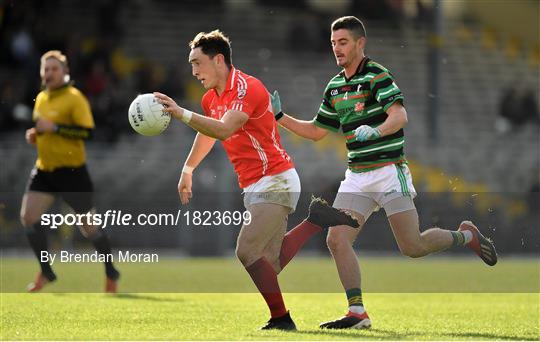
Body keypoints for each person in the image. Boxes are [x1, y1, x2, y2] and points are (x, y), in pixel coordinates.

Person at [270, 16, 498, 329]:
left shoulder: (377, 74)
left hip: (389, 172)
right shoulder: (335, 86)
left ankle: (466, 235)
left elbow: (400, 115)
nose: (337, 48)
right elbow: (318, 131)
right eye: (334, 42)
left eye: (344, 42)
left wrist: (375, 132)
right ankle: (357, 313)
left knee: (412, 247)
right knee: (336, 240)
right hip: (357, 177)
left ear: (360, 43)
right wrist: (280, 117)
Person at [154, 30, 357, 330]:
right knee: (269, 264)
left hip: (276, 179)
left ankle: (281, 319)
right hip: (254, 184)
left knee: (246, 250)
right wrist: (188, 168)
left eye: (197, 63)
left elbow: (223, 130)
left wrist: (181, 113)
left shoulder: (247, 88)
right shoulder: (211, 98)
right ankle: (316, 220)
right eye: (191, 65)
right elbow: (208, 134)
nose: (194, 71)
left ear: (218, 60)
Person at [21, 50, 120, 293]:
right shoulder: (42, 98)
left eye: (55, 69)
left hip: (72, 173)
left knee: (89, 228)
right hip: (44, 170)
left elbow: (87, 133)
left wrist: (54, 127)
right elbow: (45, 129)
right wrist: (37, 135)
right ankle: (46, 271)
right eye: (46, 68)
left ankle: (111, 271)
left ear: (65, 73)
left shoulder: (75, 98)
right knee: (28, 217)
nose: (50, 73)